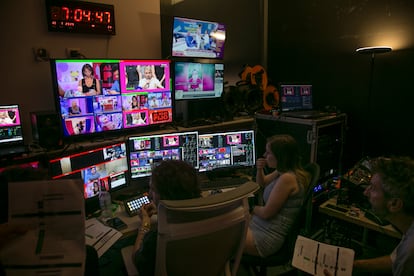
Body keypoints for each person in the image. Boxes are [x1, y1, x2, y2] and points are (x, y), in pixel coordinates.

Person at [323, 156, 414, 276]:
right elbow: (395, 259)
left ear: (395, 204)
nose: (365, 192)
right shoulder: (409, 231)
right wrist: (355, 266)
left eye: (373, 188)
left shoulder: (410, 253)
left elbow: (402, 259)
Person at [244, 134, 310, 257]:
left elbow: (266, 213)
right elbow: (261, 183)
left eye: (268, 153)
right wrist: (259, 169)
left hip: (265, 238)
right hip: (259, 225)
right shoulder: (283, 171)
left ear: (280, 157)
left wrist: (250, 208)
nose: (264, 155)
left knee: (222, 236)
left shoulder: (287, 179)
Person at [133, 160, 201, 276]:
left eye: (153, 189)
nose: (149, 194)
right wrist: (162, 212)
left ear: (163, 196)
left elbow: (137, 259)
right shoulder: (212, 216)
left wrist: (145, 224)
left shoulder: (156, 238)